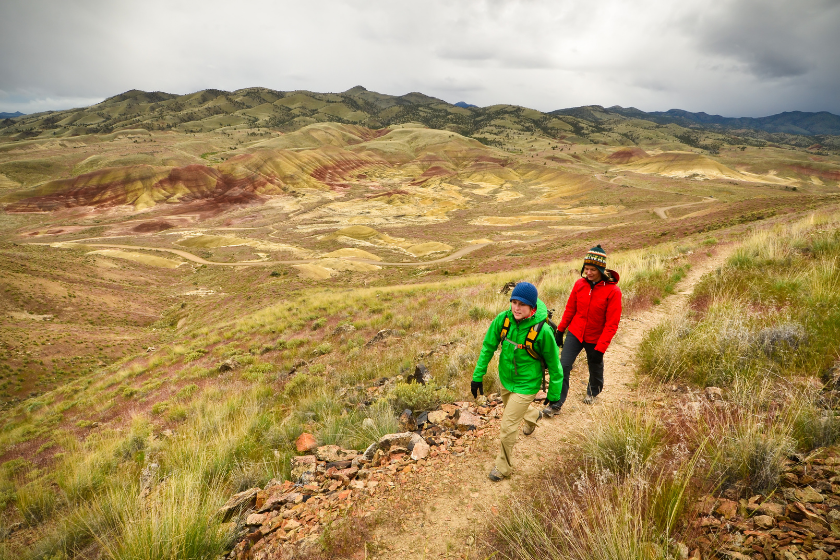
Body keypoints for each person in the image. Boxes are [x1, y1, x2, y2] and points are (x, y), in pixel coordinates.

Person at [472, 282, 563, 482]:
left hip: (527, 383)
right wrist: (478, 375)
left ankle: (503, 468)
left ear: (532, 307)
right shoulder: (503, 320)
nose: (516, 307)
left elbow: (555, 366)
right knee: (513, 412)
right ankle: (533, 416)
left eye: (522, 304)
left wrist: (554, 393)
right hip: (506, 379)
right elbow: (488, 346)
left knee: (507, 426)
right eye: (513, 302)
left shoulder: (543, 331)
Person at [543, 245, 621, 416]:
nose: (589, 273)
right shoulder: (579, 284)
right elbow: (570, 309)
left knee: (595, 365)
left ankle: (593, 392)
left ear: (601, 269)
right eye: (586, 268)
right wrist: (560, 330)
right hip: (576, 332)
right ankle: (556, 404)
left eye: (593, 269)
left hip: (596, 336)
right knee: (563, 365)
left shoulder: (613, 291)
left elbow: (612, 324)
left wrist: (600, 348)